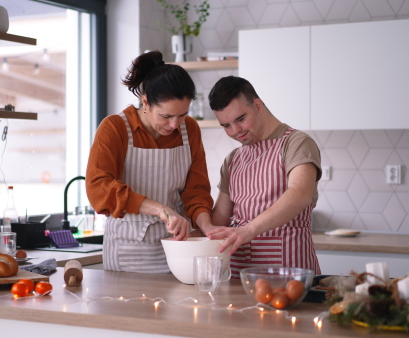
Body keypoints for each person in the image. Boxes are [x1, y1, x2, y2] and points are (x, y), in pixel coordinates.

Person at [85, 51, 214, 273]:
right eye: (166, 116)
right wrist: (160, 209)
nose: (175, 124)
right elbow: (99, 188)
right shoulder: (115, 128)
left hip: (178, 249)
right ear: (145, 102)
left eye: (182, 115)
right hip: (127, 252)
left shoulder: (189, 129)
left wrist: (207, 227)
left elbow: (197, 191)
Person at [204, 75, 322, 277]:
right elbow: (219, 219)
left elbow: (300, 193)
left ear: (258, 105)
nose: (235, 131)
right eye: (226, 126)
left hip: (291, 274)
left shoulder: (296, 143)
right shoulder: (233, 159)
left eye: (240, 119)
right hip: (242, 278)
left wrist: (248, 231)